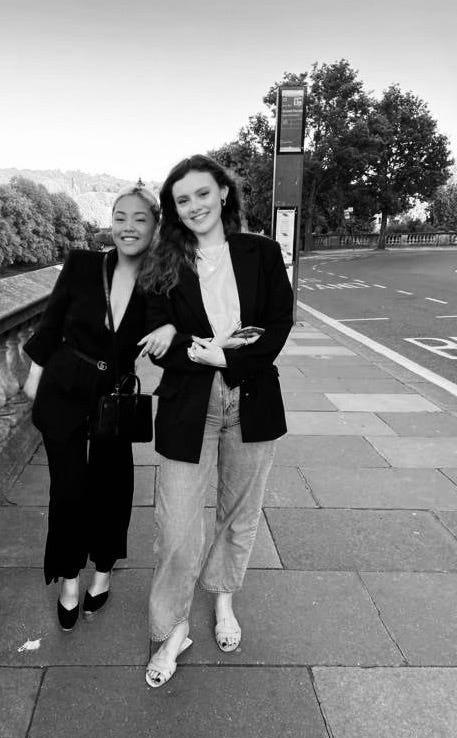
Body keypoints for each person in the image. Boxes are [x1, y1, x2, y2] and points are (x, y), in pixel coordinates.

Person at [138, 155, 293, 687]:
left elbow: (275, 325)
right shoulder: (164, 264)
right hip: (189, 407)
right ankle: (173, 628)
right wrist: (203, 348)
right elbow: (157, 341)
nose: (194, 206)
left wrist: (220, 355)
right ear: (173, 209)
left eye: (203, 194)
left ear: (223, 194)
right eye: (182, 200)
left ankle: (223, 601)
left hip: (250, 399)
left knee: (238, 514)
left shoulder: (261, 253)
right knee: (177, 527)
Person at [23, 184, 175, 631]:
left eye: (140, 218)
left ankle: (103, 572)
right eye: (120, 216)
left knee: (111, 486)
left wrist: (168, 329)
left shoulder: (160, 280)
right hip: (65, 386)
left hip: (115, 396)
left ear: (155, 226)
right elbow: (51, 323)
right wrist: (34, 376)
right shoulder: (83, 264)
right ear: (110, 222)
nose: (128, 226)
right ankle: (69, 579)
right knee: (68, 491)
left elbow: (166, 342)